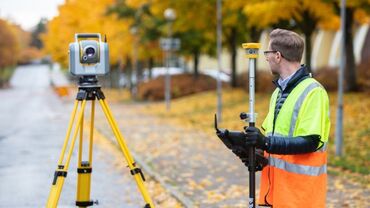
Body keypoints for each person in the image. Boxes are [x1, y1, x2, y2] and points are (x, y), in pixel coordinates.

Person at [244, 28, 331, 207]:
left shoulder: (313, 92)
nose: (265, 57)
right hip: (276, 193)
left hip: (301, 196)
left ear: (277, 55)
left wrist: (266, 143)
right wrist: (256, 153)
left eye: (267, 53)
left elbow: (310, 141)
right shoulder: (278, 93)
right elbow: (273, 137)